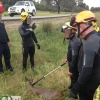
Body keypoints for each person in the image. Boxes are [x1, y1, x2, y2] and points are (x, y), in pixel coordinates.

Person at [68, 10, 100, 100]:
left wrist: (75, 89)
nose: (76, 32)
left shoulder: (88, 44)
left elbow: (86, 72)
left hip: (88, 85)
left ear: (81, 26)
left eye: (76, 27)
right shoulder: (97, 38)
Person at [61, 21, 82, 89]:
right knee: (72, 77)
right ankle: (72, 85)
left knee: (74, 76)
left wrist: (71, 70)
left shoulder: (75, 42)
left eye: (66, 32)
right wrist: (68, 58)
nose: (65, 34)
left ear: (72, 31)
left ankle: (74, 93)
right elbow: (70, 52)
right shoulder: (72, 39)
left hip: (75, 63)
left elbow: (75, 56)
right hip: (72, 61)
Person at [0, 1, 13, 74]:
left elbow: (5, 33)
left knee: (7, 55)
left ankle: (8, 67)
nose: (1, 15)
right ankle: (0, 69)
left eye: (1, 14)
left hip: (5, 43)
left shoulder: (2, 24)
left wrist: (8, 41)